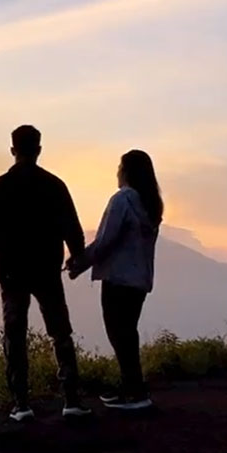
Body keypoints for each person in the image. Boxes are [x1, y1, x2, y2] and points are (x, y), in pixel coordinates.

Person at [0, 125, 90, 422]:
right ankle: (72, 400)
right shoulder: (54, 185)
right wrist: (77, 258)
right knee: (60, 331)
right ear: (39, 149)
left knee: (15, 334)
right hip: (47, 269)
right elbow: (72, 229)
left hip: (11, 271)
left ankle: (21, 404)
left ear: (13, 150)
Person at [67, 149, 163, 411]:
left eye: (120, 167)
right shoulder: (151, 204)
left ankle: (135, 393)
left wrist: (78, 263)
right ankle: (132, 387)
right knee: (127, 333)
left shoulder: (122, 200)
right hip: (140, 280)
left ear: (126, 171)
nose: (117, 172)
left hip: (118, 278)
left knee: (119, 334)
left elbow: (105, 241)